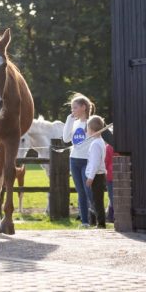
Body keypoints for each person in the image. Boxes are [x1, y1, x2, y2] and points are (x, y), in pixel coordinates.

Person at [62, 93, 94, 228]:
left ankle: (97, 216)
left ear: (83, 107)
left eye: (74, 108)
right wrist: (69, 120)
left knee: (88, 191)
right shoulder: (74, 123)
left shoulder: (92, 122)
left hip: (87, 160)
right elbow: (65, 139)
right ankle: (85, 222)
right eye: (71, 108)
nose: (72, 110)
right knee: (80, 192)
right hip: (74, 160)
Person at [85, 115, 107, 228]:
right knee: (97, 199)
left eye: (88, 128)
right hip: (98, 175)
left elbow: (94, 163)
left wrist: (90, 177)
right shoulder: (100, 141)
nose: (87, 130)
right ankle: (99, 222)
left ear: (92, 129)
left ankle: (101, 223)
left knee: (97, 201)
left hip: (96, 176)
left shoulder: (95, 144)